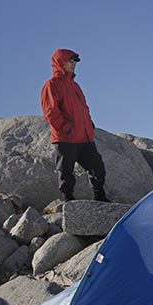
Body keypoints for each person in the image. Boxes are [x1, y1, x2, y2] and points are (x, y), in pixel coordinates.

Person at [41, 48, 108, 202]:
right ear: (60, 62)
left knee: (98, 168)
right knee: (66, 172)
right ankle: (68, 201)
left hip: (84, 137)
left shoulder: (75, 86)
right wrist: (66, 129)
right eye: (71, 61)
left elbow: (84, 109)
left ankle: (100, 197)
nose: (74, 64)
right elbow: (50, 112)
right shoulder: (51, 85)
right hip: (66, 138)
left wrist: (89, 126)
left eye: (75, 62)